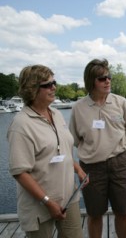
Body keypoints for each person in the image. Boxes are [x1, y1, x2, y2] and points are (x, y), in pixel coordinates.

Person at [7, 65, 87, 238]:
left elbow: (62, 150)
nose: (54, 87)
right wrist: (47, 202)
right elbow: (20, 172)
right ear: (32, 89)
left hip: (68, 198)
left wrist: (78, 170)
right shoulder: (21, 125)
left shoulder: (57, 114)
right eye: (47, 84)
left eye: (54, 82)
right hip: (39, 205)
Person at [69, 58, 126, 238]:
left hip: (121, 163)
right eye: (102, 78)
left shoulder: (121, 103)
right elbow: (74, 140)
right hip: (91, 167)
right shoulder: (78, 108)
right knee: (94, 213)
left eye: (109, 77)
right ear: (91, 81)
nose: (107, 81)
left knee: (122, 211)